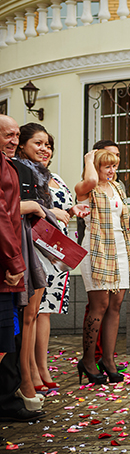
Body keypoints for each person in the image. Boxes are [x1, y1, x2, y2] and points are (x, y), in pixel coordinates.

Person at [75, 149, 130, 385]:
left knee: (115, 305)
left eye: (115, 166)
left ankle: (109, 361)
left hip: (120, 248)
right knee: (98, 306)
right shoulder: (86, 188)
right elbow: (90, 179)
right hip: (97, 249)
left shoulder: (118, 188)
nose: (111, 171)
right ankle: (89, 360)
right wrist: (88, 160)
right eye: (106, 166)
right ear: (96, 167)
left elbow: (120, 218)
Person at [0, 114, 42, 423]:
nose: (13, 140)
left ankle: (12, 393)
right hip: (7, 261)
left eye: (16, 134)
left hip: (14, 256)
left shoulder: (11, 166)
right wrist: (14, 261)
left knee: (9, 335)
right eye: (8, 135)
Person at [35, 132, 77, 393]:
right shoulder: (29, 176)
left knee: (47, 311)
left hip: (60, 249)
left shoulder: (57, 177)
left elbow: (65, 209)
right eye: (39, 144)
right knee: (36, 311)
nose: (45, 150)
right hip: (40, 248)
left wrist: (73, 212)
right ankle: (33, 369)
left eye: (48, 145)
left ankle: (43, 366)